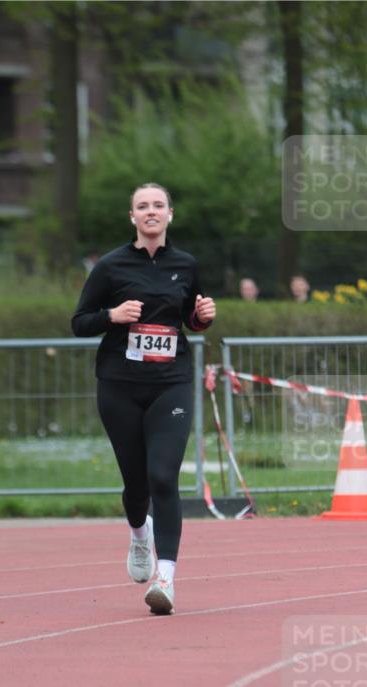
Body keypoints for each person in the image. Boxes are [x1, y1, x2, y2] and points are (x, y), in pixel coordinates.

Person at [71, 182, 216, 615]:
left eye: (157, 205)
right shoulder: (111, 266)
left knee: (163, 476)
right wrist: (111, 316)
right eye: (142, 206)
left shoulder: (185, 264)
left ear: (170, 214)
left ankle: (165, 578)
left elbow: (191, 317)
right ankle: (139, 535)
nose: (150, 212)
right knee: (136, 485)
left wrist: (202, 318)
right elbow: (79, 322)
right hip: (119, 385)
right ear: (132, 216)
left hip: (171, 383)